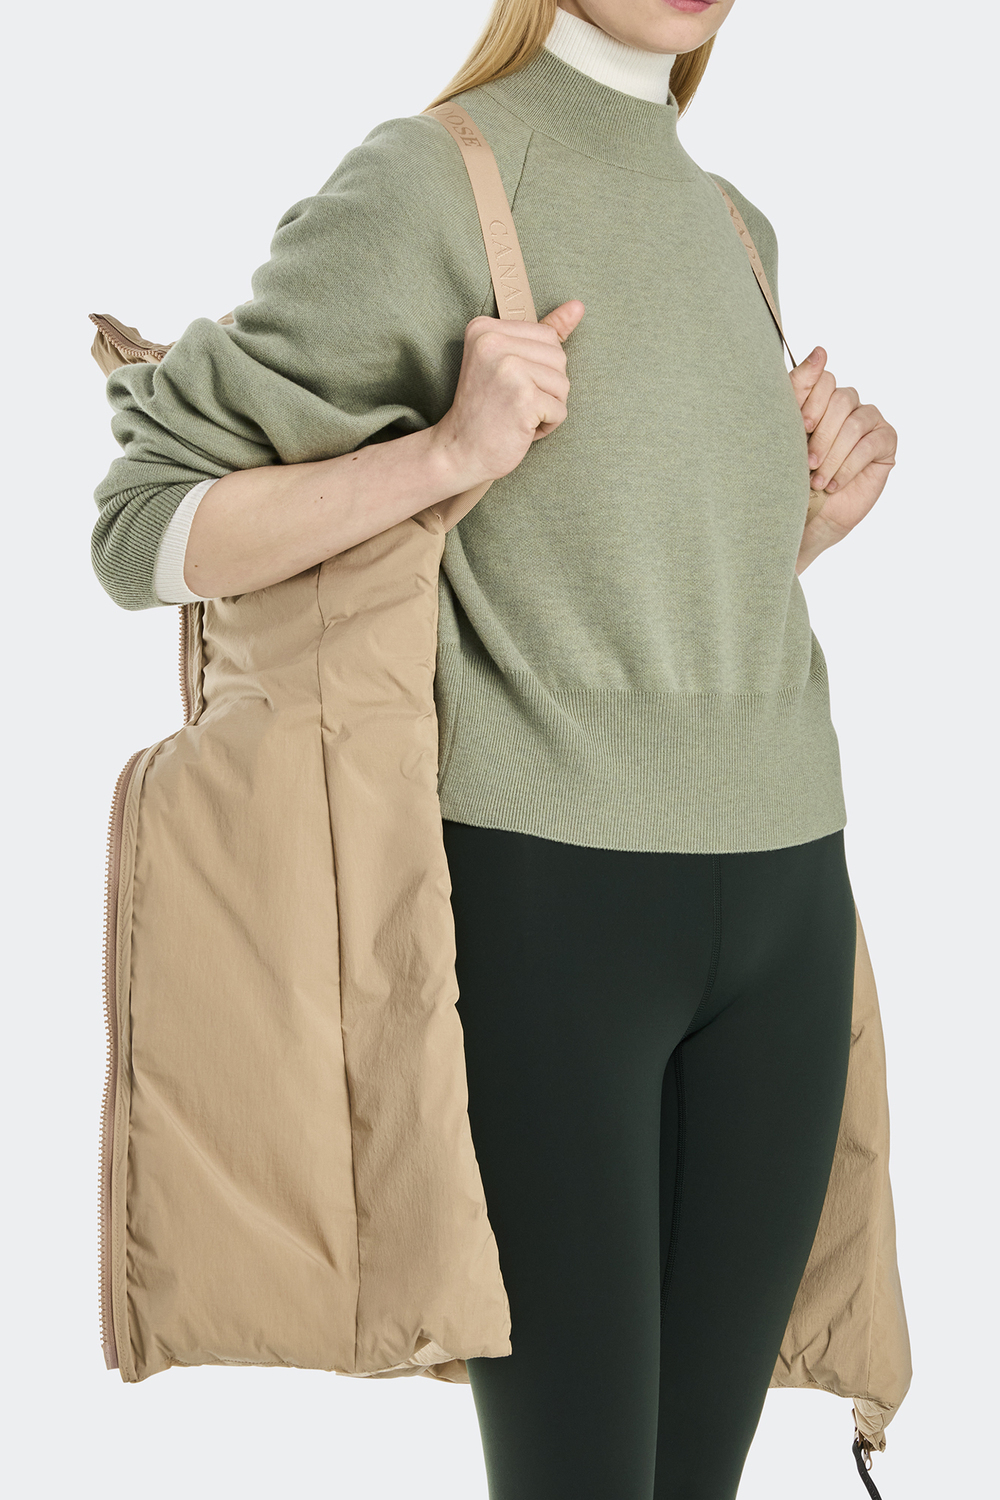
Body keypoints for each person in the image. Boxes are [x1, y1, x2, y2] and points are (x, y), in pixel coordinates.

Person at [92, 1, 898, 1495]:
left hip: (791, 905)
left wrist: (805, 525)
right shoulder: (431, 183)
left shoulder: (739, 228)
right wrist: (445, 452)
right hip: (552, 917)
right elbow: (145, 529)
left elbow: (610, 582)